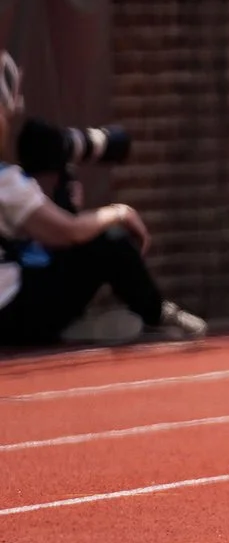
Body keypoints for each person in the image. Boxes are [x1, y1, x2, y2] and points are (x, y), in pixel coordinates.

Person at [0, 65, 205, 348]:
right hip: (13, 316)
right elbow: (68, 232)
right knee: (107, 240)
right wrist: (118, 212)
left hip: (15, 305)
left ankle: (73, 322)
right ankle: (155, 314)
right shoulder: (5, 182)